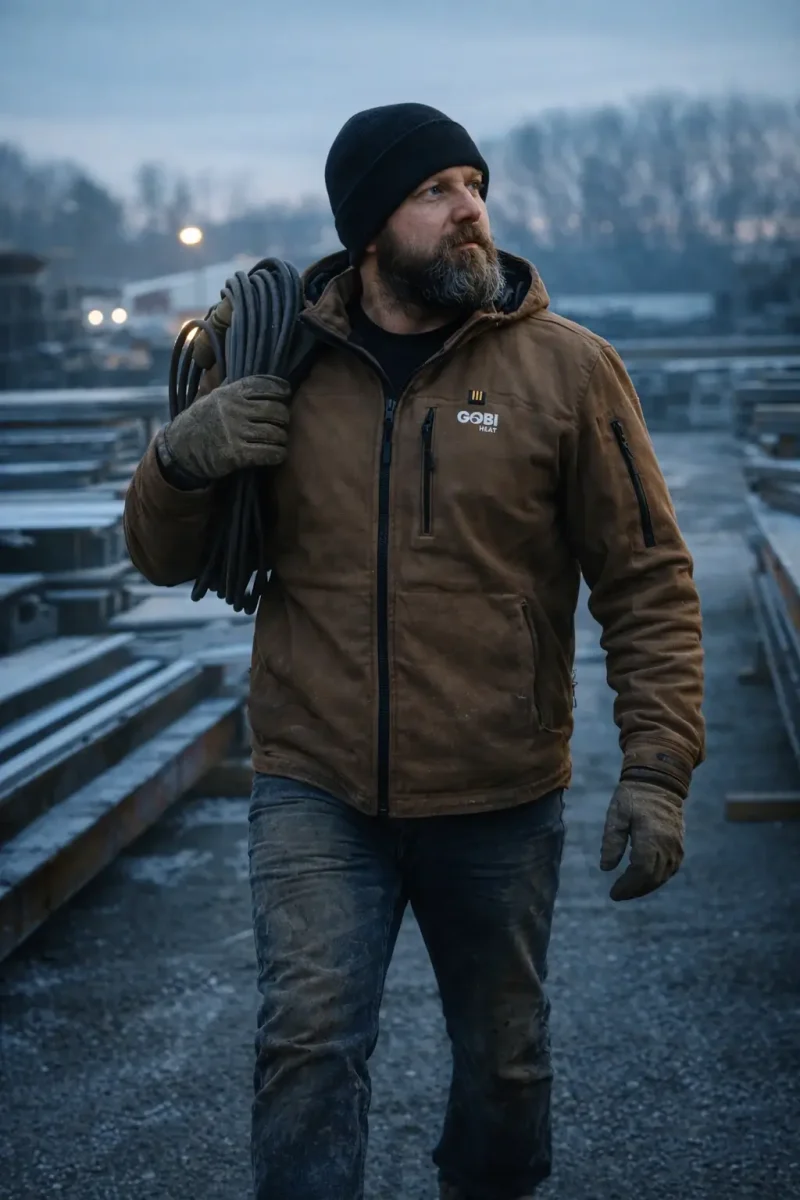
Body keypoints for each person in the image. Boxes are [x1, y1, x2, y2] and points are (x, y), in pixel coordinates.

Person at [123, 102, 705, 1200]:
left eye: (473, 184)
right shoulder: (275, 363)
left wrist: (657, 769)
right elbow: (162, 560)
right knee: (305, 1053)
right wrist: (179, 462)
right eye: (433, 190)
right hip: (316, 782)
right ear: (369, 227)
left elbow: (645, 579)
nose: (469, 209)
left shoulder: (568, 373)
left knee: (504, 1069)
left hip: (497, 787)